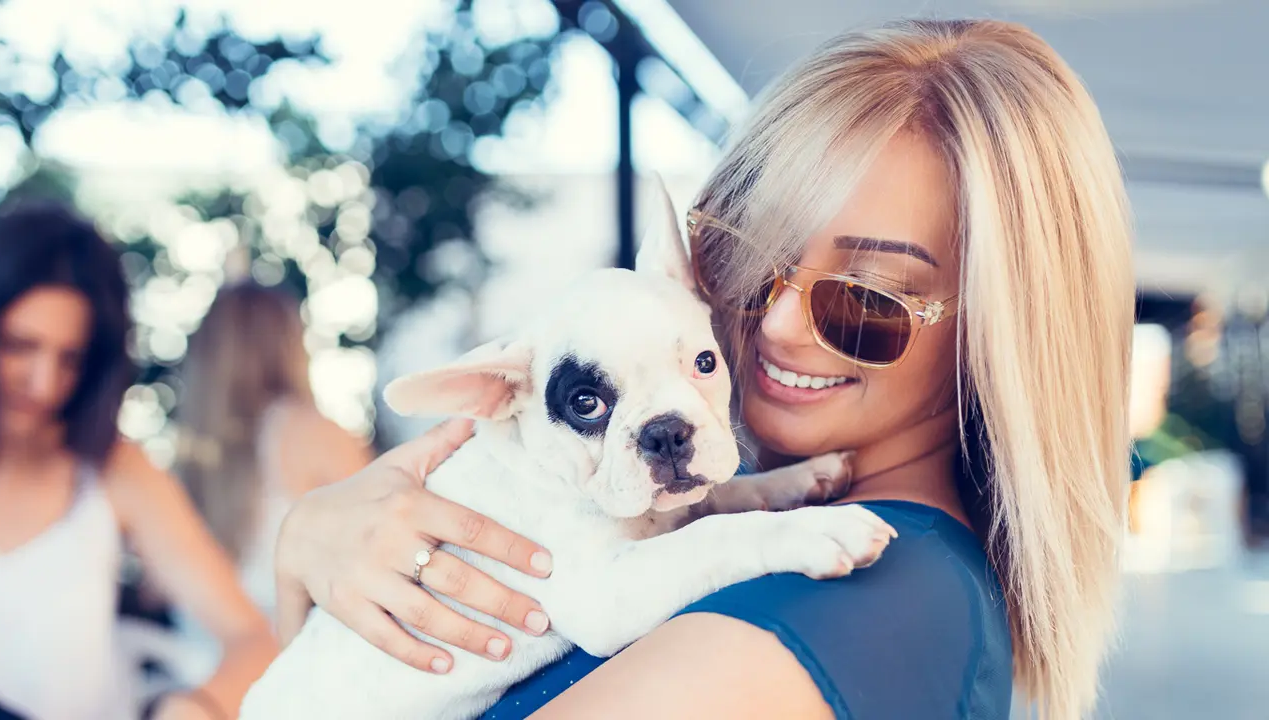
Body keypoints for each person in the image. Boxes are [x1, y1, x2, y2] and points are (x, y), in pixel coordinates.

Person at [273, 18, 1133, 719]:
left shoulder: (860, 597)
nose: (779, 323)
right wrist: (306, 550)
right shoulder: (765, 538)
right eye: (749, 254)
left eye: (867, 297)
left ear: (1002, 335)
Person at [0, 203, 278, 720]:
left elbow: (252, 637)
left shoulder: (115, 469)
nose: (44, 384)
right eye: (18, 346)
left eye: (70, 358)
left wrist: (199, 706)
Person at [176, 281, 372, 620]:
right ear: (288, 343)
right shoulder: (313, 432)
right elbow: (379, 547)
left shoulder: (191, 460)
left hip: (207, 661)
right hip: (296, 655)